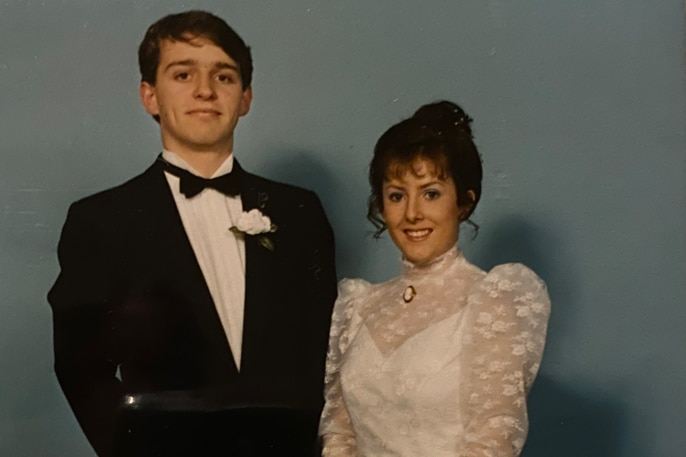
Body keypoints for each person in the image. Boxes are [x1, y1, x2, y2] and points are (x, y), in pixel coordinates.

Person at [48, 10, 337, 457]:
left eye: (223, 76)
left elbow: (321, 357)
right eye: (183, 74)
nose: (205, 90)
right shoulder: (100, 221)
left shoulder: (300, 212)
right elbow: (81, 370)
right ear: (150, 96)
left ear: (245, 97)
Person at [319, 101, 550, 456]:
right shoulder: (358, 305)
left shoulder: (490, 300)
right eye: (397, 195)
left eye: (431, 193)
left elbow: (493, 439)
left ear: (463, 203)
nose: (412, 213)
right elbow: (340, 433)